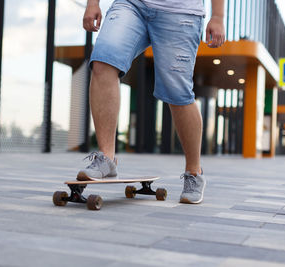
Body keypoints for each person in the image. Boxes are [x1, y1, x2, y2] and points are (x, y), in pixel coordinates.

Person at [77, 0, 225, 204]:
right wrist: (93, 3)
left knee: (178, 92)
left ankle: (194, 172)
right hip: (131, 5)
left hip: (180, 12)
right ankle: (106, 158)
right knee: (103, 62)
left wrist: (218, 16)